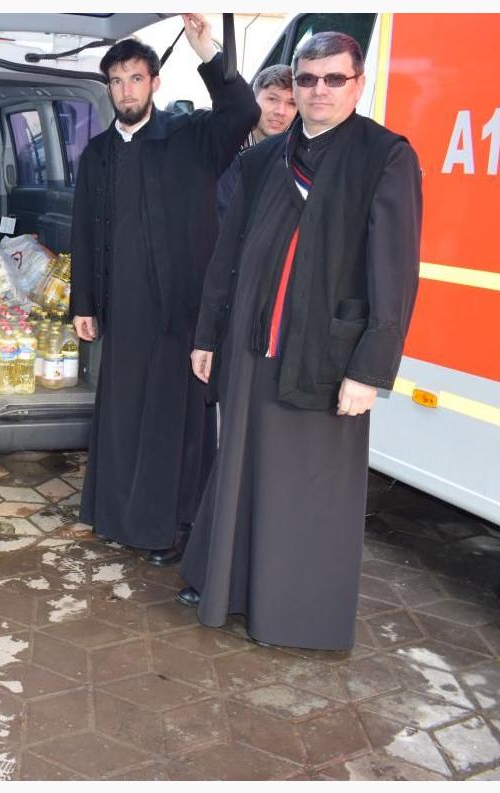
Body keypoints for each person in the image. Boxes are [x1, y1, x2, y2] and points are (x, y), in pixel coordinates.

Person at [176, 31, 423, 650]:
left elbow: (395, 272)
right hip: (250, 349)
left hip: (326, 359)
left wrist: (369, 370)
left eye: (334, 79)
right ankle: (227, 590)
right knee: (241, 472)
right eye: (307, 79)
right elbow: (228, 255)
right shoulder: (263, 159)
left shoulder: (384, 156)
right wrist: (208, 334)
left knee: (309, 490)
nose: (318, 91)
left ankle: (291, 616)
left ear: (357, 84)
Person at [69, 15, 259, 566]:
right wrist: (84, 303)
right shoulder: (98, 153)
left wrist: (208, 52)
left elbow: (242, 111)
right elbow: (83, 231)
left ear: (154, 83)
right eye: (116, 81)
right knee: (123, 416)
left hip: (181, 313)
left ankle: (175, 526)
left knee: (175, 425)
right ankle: (117, 516)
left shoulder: (191, 137)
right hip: (123, 312)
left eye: (135, 79)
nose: (126, 90)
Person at [215, 64, 297, 223]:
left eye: (291, 103)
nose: (280, 111)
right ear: (253, 99)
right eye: (272, 99)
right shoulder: (223, 149)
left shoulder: (296, 161)